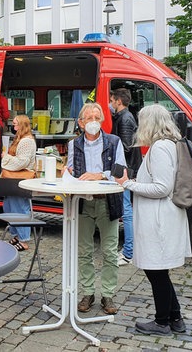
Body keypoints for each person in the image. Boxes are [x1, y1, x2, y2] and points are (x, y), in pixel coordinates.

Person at [115, 104, 191, 335]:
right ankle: (175, 318)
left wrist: (128, 184)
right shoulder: (170, 145)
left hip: (159, 219)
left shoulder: (159, 148)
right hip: (163, 217)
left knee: (155, 271)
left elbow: (162, 187)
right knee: (159, 271)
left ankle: (161, 322)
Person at [65, 102, 125, 315]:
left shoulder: (113, 142)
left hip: (107, 202)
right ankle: (88, 292)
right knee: (84, 251)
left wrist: (99, 174)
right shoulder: (74, 144)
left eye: (96, 118)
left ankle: (108, 294)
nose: (93, 122)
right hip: (82, 202)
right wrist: (68, 172)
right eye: (88, 118)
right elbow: (70, 171)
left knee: (109, 251)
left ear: (101, 121)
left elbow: (121, 172)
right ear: (81, 123)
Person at [109, 88, 140, 266]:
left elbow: (126, 146)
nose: (111, 104)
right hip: (125, 169)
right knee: (127, 211)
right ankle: (129, 250)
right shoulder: (124, 117)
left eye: (112, 101)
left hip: (125, 171)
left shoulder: (125, 119)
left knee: (126, 212)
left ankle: (129, 251)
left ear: (119, 102)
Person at [0, 115, 36, 251]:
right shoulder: (21, 139)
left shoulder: (26, 141)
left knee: (20, 208)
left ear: (22, 125)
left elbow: (23, 162)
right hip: (14, 179)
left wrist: (6, 157)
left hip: (20, 179)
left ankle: (24, 239)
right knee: (10, 206)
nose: (13, 126)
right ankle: (16, 236)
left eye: (15, 124)